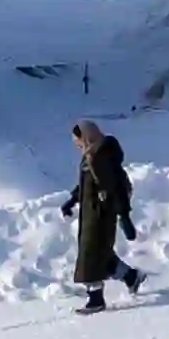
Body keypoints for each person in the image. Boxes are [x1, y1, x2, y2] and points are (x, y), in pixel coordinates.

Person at [67, 119, 143, 312]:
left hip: (102, 214)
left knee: (91, 255)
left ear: (88, 136)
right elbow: (86, 184)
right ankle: (131, 277)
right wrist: (72, 200)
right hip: (91, 213)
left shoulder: (102, 158)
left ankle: (96, 300)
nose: (78, 146)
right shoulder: (90, 156)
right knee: (101, 254)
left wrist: (124, 216)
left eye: (78, 141)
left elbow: (116, 187)